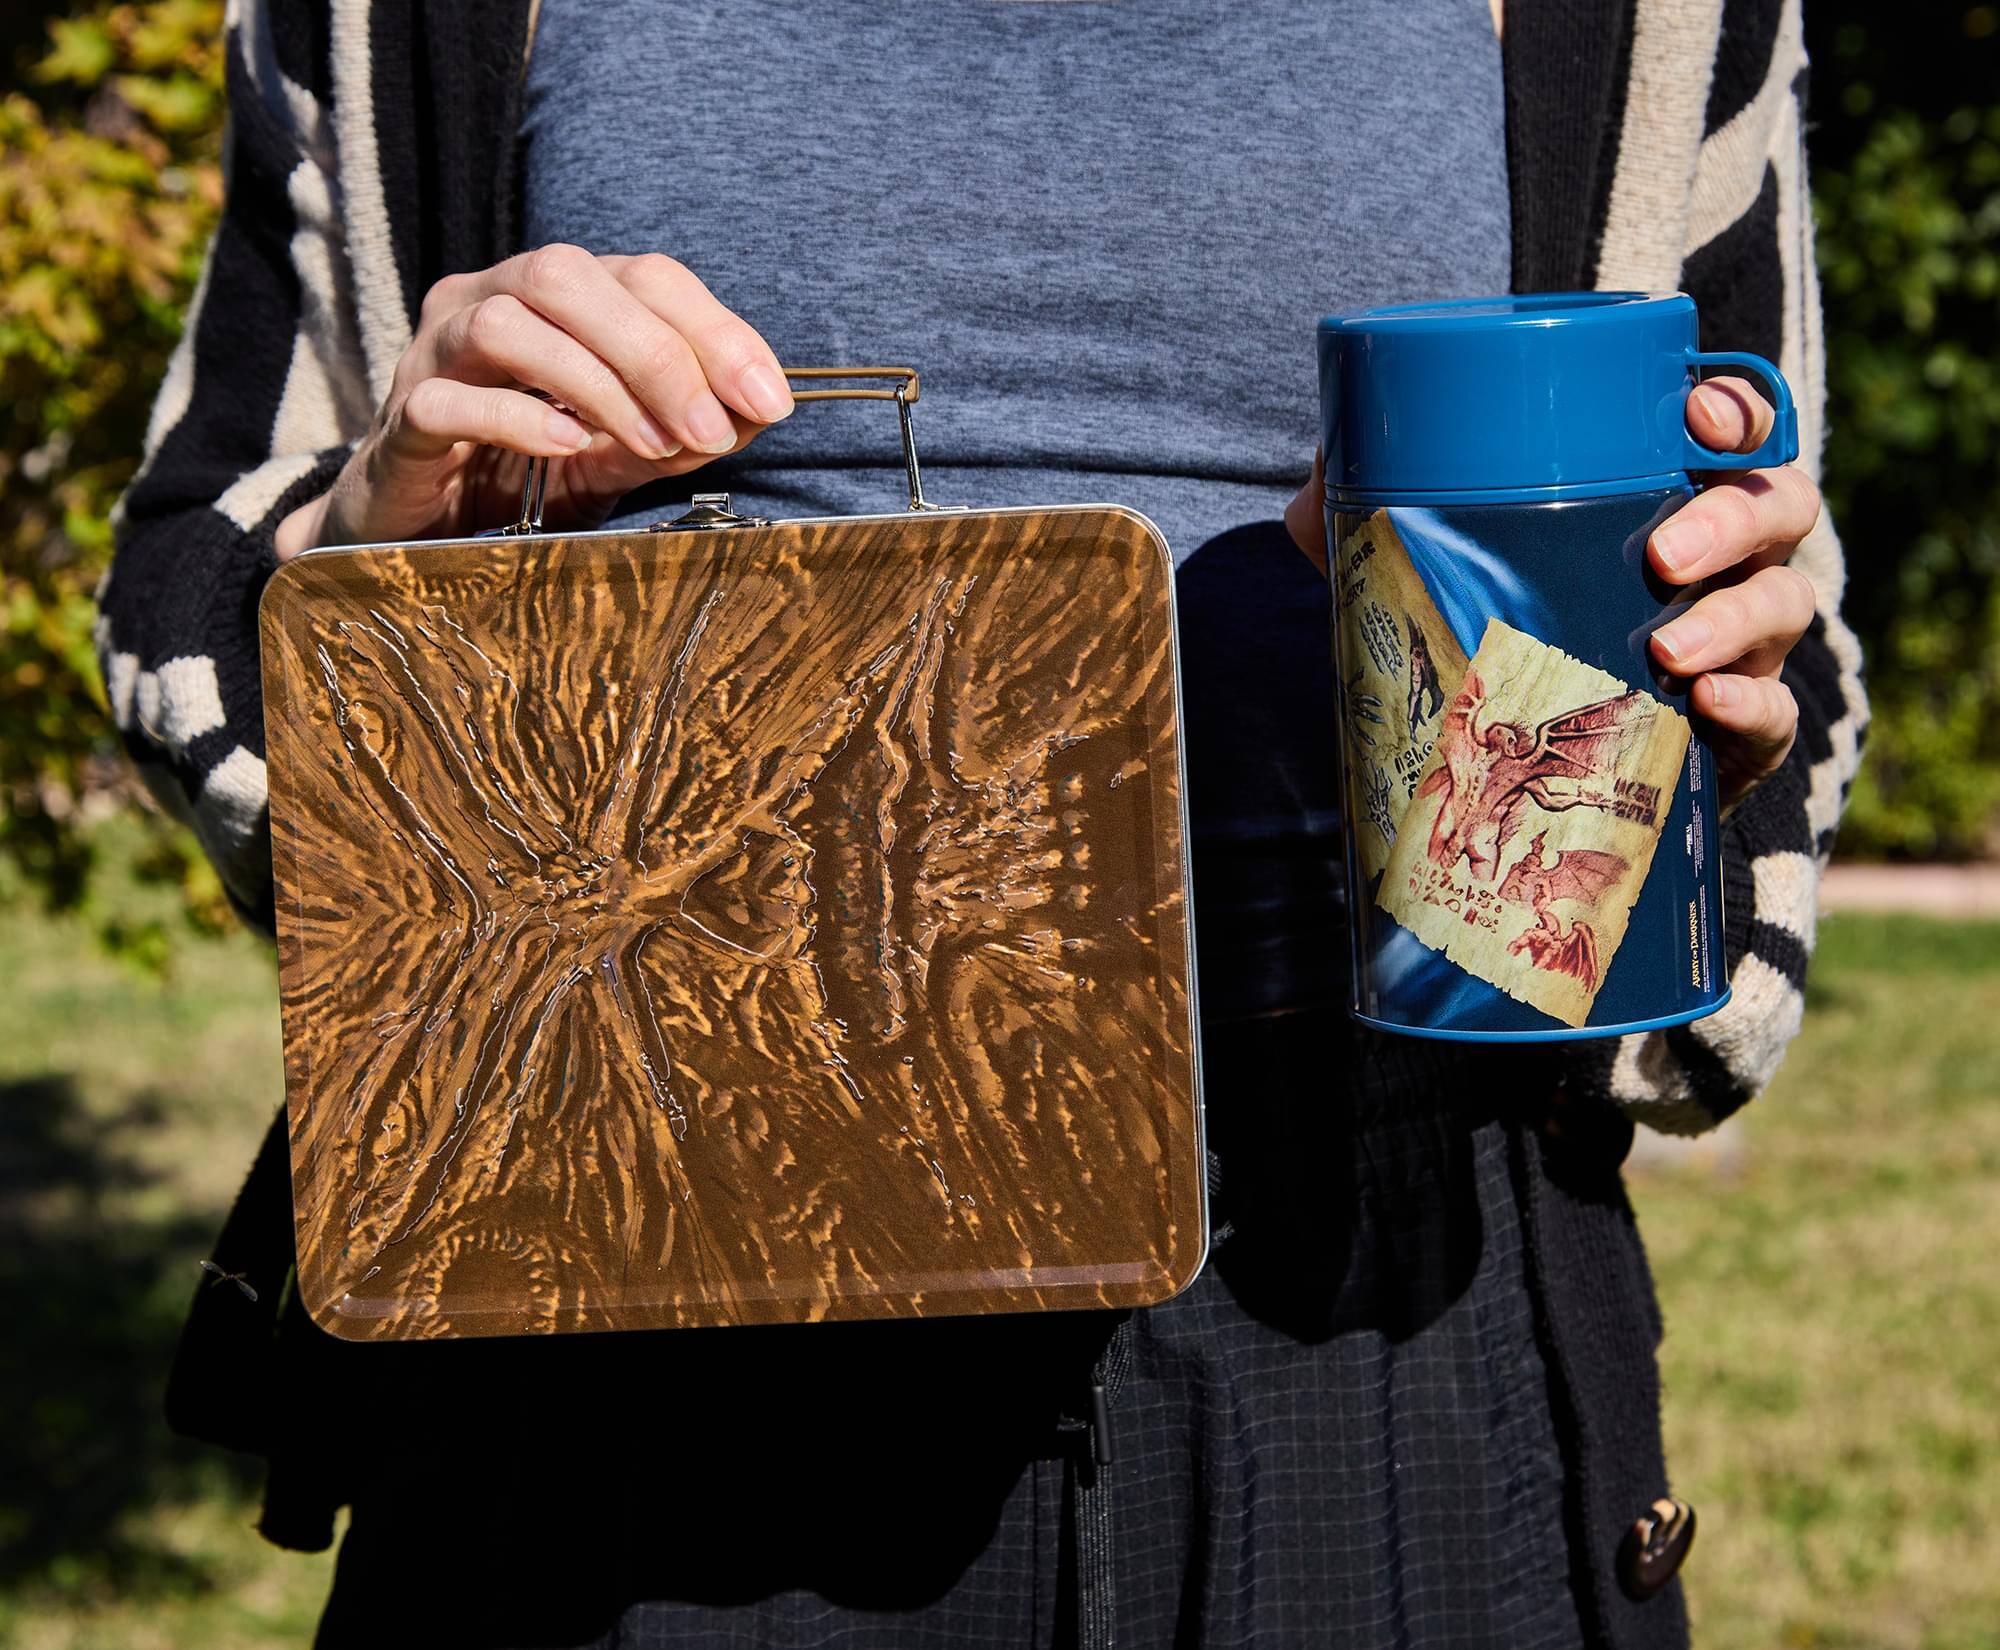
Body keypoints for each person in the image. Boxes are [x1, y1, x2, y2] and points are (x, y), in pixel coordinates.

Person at [98, 2, 1865, 1646]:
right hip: (631, 1214)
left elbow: (1769, 584)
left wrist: (1692, 718)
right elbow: (203, 553)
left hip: (1374, 1267)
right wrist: (379, 563)